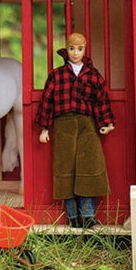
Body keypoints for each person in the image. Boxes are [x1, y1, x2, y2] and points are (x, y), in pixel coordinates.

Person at [35, 32, 114, 227]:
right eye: (71, 49)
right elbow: (48, 100)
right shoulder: (57, 75)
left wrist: (106, 122)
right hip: (63, 125)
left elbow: (101, 99)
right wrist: (45, 127)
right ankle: (72, 217)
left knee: (89, 165)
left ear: (84, 50)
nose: (75, 53)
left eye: (79, 49)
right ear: (66, 50)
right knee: (65, 166)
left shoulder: (93, 74)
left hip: (88, 125)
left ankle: (87, 216)